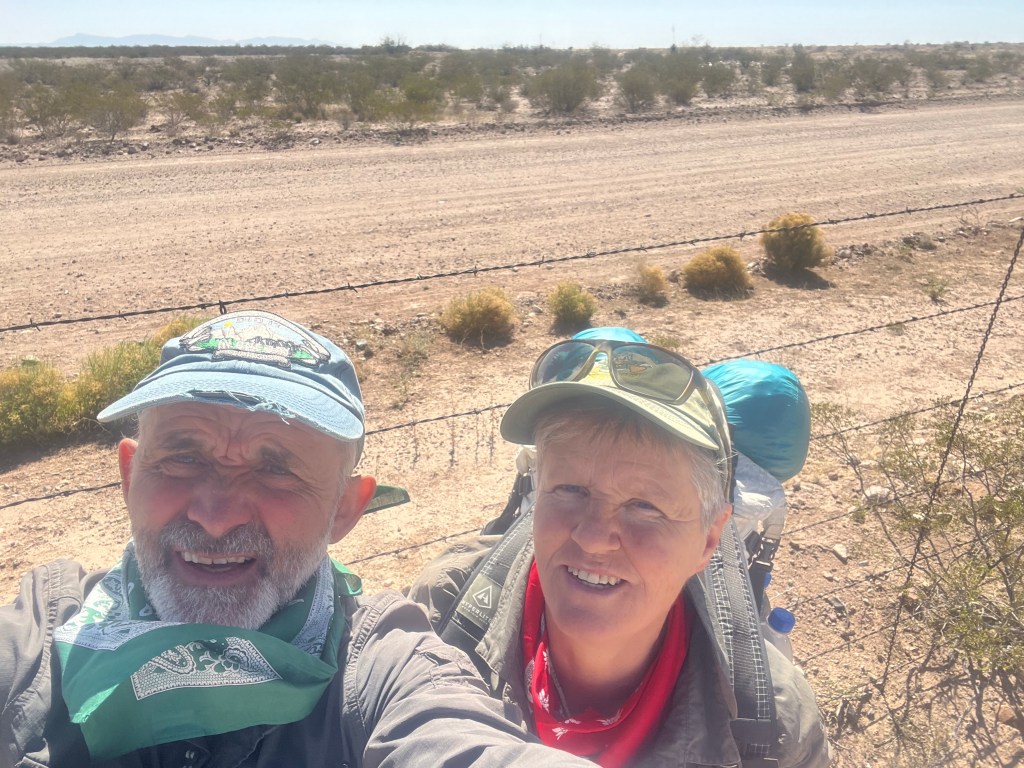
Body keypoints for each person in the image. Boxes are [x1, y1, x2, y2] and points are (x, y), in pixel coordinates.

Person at [0, 310, 598, 768]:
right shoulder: (40, 642)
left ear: (345, 509)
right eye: (183, 457)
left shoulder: (382, 672)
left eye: (275, 469)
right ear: (131, 477)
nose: (215, 515)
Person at [410, 333, 832, 767]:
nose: (593, 537)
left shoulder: (772, 723)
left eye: (644, 506)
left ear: (709, 539)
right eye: (569, 488)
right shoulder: (438, 618)